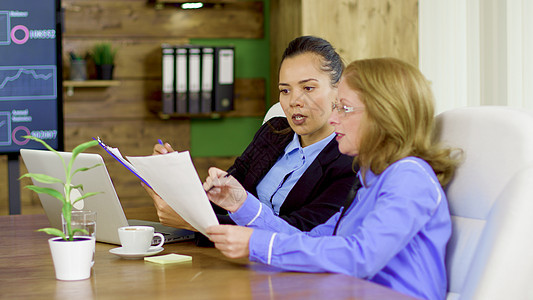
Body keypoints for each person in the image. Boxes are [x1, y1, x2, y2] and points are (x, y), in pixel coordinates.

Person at [203, 58, 460, 300]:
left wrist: (257, 243)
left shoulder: (409, 177)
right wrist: (240, 203)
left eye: (345, 108)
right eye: (336, 107)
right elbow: (312, 241)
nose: (334, 118)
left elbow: (360, 256)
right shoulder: (371, 180)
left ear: (385, 116)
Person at [145, 36, 358, 234]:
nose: (294, 101)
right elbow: (221, 197)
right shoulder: (274, 132)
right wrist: (174, 179)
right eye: (285, 90)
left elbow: (300, 233)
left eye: (308, 88)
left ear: (339, 91)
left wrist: (198, 223)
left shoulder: (351, 161)